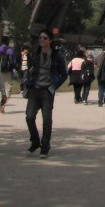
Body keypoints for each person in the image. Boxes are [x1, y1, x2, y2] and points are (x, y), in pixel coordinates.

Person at [23, 29, 68, 157]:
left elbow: (64, 75)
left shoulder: (56, 56)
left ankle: (45, 146)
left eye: (45, 38)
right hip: (35, 89)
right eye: (40, 38)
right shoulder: (35, 54)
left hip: (47, 91)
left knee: (46, 120)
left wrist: (54, 87)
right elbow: (30, 70)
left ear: (50, 40)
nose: (42, 40)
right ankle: (35, 141)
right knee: (29, 116)